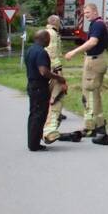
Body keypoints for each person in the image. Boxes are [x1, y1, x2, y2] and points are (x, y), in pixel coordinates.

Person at [65, 3, 108, 145]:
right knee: (88, 95)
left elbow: (93, 42)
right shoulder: (96, 24)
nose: (86, 15)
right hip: (94, 60)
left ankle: (99, 128)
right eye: (84, 13)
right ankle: (90, 126)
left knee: (92, 96)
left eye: (88, 12)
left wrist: (74, 52)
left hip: (95, 61)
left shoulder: (97, 25)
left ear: (95, 11)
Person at [25, 30, 66, 152]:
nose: (49, 41)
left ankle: (33, 142)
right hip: (39, 86)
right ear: (43, 39)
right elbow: (43, 71)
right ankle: (34, 145)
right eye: (48, 39)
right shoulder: (41, 52)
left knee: (33, 114)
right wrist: (59, 77)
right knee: (39, 115)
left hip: (32, 84)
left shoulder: (30, 50)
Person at [42, 15, 67, 143]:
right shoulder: (53, 34)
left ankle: (46, 128)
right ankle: (50, 131)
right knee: (56, 98)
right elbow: (53, 54)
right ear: (56, 22)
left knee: (48, 100)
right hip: (54, 71)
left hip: (46, 71)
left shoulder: (46, 32)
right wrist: (60, 74)